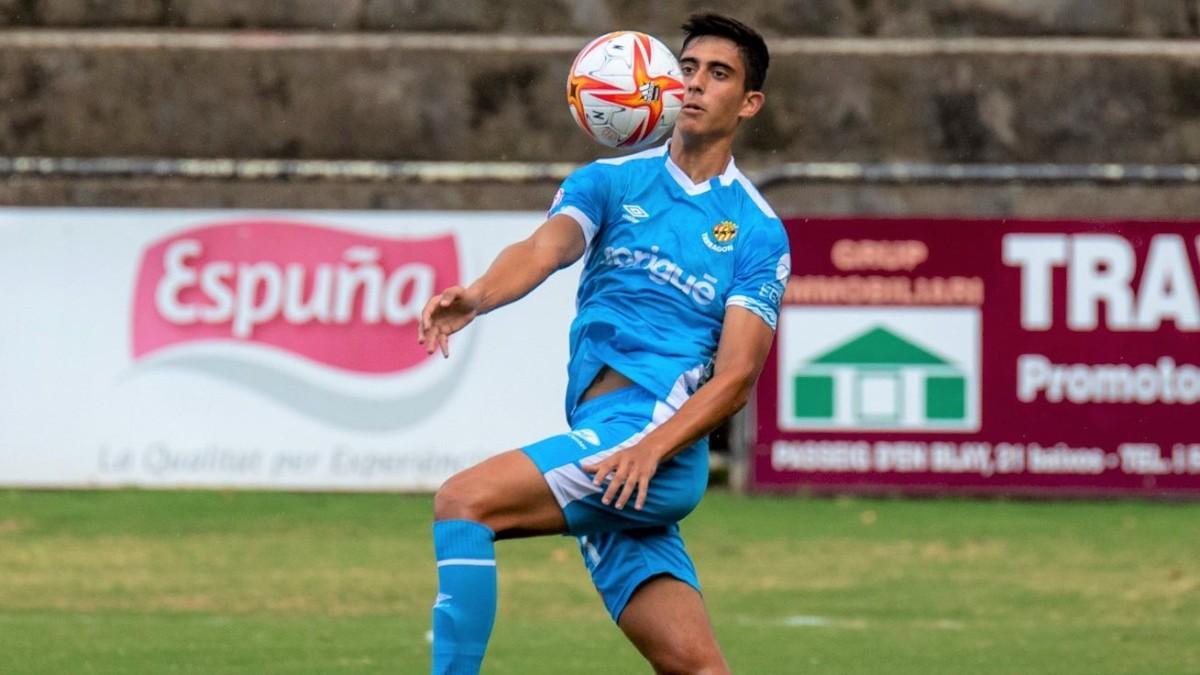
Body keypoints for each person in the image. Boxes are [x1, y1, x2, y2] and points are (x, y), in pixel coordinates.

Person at [419, 13, 789, 675]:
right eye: (688, 67)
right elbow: (544, 249)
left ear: (749, 103)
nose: (696, 83)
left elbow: (735, 378)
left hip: (651, 445)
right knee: (696, 665)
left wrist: (650, 446)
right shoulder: (609, 182)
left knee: (463, 502)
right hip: (608, 437)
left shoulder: (758, 232)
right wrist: (477, 295)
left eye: (719, 73)